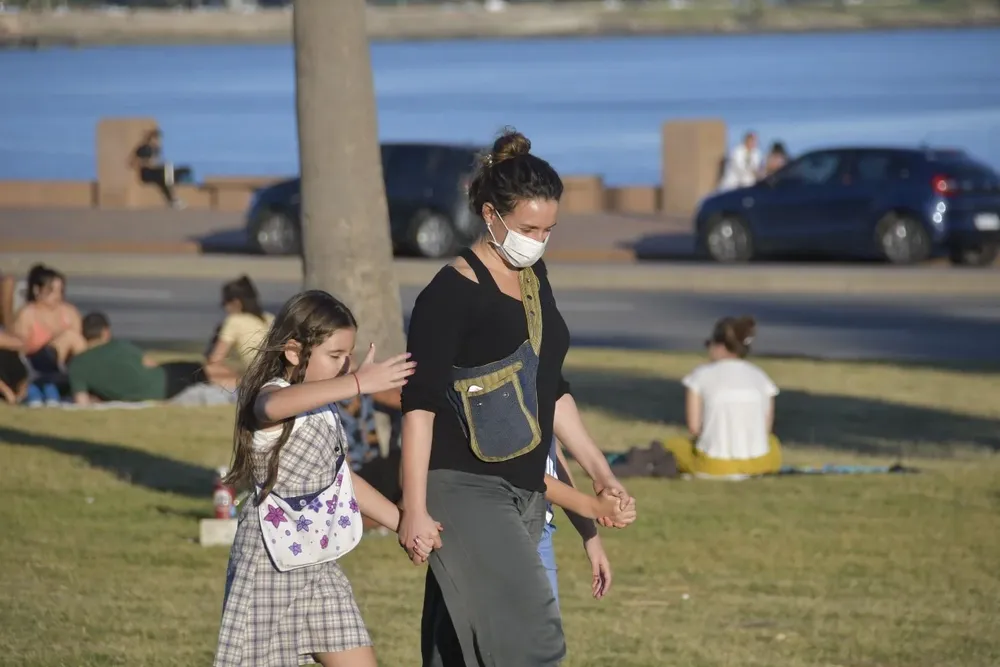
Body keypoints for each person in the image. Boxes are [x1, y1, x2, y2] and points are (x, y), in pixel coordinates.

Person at [397, 128, 637, 667]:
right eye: (528, 228)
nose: (539, 240)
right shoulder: (448, 295)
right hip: (463, 488)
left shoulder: (533, 276)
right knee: (535, 643)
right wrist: (414, 509)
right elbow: (418, 407)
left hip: (527, 487)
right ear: (490, 215)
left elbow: (550, 389)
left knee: (457, 644)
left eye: (549, 230)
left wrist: (600, 469)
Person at [214, 290, 431, 667]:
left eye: (349, 356)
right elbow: (270, 407)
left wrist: (404, 524)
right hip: (269, 563)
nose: (345, 365)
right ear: (294, 352)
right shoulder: (276, 395)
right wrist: (360, 383)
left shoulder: (325, 406)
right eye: (335, 356)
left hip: (318, 566)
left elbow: (342, 479)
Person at [664, 316, 782, 479]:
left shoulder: (700, 376)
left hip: (715, 464)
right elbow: (766, 428)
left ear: (719, 346)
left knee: (672, 446)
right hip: (760, 463)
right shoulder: (761, 377)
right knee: (773, 443)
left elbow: (694, 428)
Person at [67, 312, 208, 405]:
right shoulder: (119, 345)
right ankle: (229, 384)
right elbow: (150, 363)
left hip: (137, 397)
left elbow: (81, 401)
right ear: (105, 332)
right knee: (200, 369)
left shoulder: (77, 365)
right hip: (162, 384)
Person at [204, 276, 274, 390]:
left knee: (208, 371)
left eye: (225, 303)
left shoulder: (235, 320)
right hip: (276, 374)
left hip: (259, 379)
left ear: (236, 302)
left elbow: (215, 360)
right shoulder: (269, 318)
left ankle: (245, 385)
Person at [12, 264, 86, 369]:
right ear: (37, 290)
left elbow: (80, 342)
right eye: (51, 290)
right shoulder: (27, 314)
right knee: (70, 336)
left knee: (73, 337)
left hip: (66, 363)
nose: (57, 295)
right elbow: (20, 348)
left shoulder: (69, 312)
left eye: (60, 291)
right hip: (35, 363)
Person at [130, 128, 191, 209]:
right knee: (164, 174)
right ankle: (173, 199)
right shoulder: (145, 149)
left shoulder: (160, 150)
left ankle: (172, 195)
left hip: (159, 171)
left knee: (180, 169)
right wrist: (146, 163)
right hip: (148, 173)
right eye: (155, 138)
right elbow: (132, 163)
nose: (157, 141)